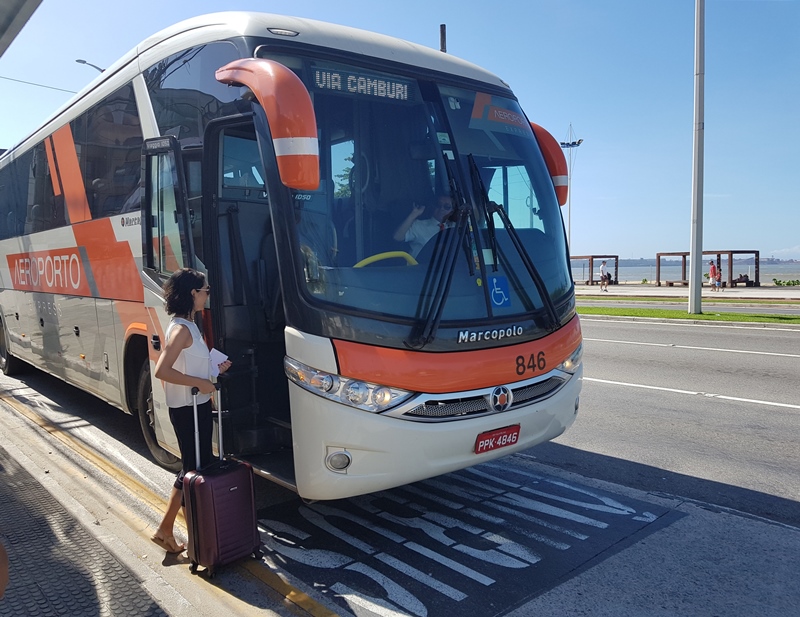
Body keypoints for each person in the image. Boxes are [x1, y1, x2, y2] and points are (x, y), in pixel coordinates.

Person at [150, 268, 232, 554]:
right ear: (192, 294)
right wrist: (200, 383)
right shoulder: (182, 330)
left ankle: (171, 529)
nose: (208, 294)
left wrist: (212, 370)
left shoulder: (189, 325)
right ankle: (167, 529)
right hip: (187, 409)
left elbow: (189, 364)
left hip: (195, 405)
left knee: (193, 467)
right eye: (205, 290)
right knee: (191, 468)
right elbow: (163, 370)